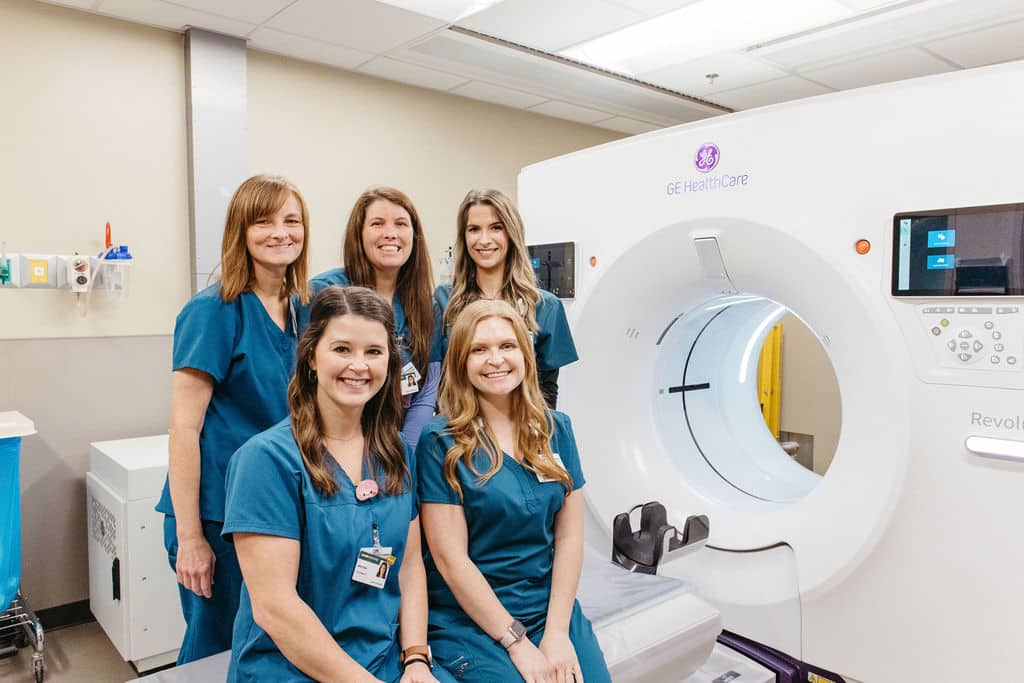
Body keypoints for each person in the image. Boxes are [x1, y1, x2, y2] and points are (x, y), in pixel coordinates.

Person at [223, 286, 454, 683]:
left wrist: (416, 658)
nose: (359, 366)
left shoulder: (396, 451)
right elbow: (275, 608)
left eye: (374, 352)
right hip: (290, 667)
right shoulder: (267, 460)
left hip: (384, 660)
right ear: (312, 357)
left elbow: (410, 565)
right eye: (342, 349)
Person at [155, 174, 310, 663]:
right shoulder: (213, 311)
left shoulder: (303, 309)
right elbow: (184, 429)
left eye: (292, 220)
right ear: (240, 231)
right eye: (263, 221)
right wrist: (190, 538)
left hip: (277, 506)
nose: (280, 232)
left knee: (269, 642)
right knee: (216, 648)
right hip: (217, 514)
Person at [416, 300, 611, 683]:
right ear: (461, 362)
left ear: (525, 354)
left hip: (549, 607)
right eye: (479, 349)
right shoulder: (440, 441)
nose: (496, 359)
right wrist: (516, 642)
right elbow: (451, 560)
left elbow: (570, 538)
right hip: (473, 618)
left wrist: (557, 633)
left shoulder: (557, 429)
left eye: (507, 346)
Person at [304, 186, 439, 446]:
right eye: (377, 223)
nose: (391, 233)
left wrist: (406, 455)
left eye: (401, 223)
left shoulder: (424, 304)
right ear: (359, 234)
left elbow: (426, 393)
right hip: (331, 440)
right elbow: (304, 379)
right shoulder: (325, 292)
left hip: (395, 445)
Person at [434, 189, 577, 409]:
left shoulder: (544, 306)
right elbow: (438, 379)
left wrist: (538, 436)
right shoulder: (445, 300)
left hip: (521, 428)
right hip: (460, 426)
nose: (484, 239)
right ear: (464, 236)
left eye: (496, 228)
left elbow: (547, 388)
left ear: (511, 233)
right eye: (474, 229)